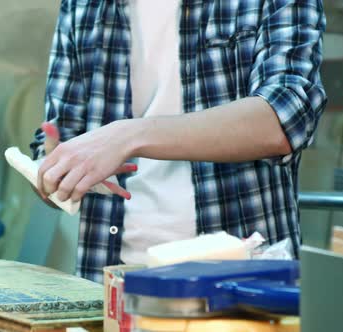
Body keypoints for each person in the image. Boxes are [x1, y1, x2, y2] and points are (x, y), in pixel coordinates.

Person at [30, 0, 327, 283]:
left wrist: (127, 136)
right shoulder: (81, 5)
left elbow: (285, 116)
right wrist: (53, 173)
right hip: (112, 280)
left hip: (243, 279)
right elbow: (59, 142)